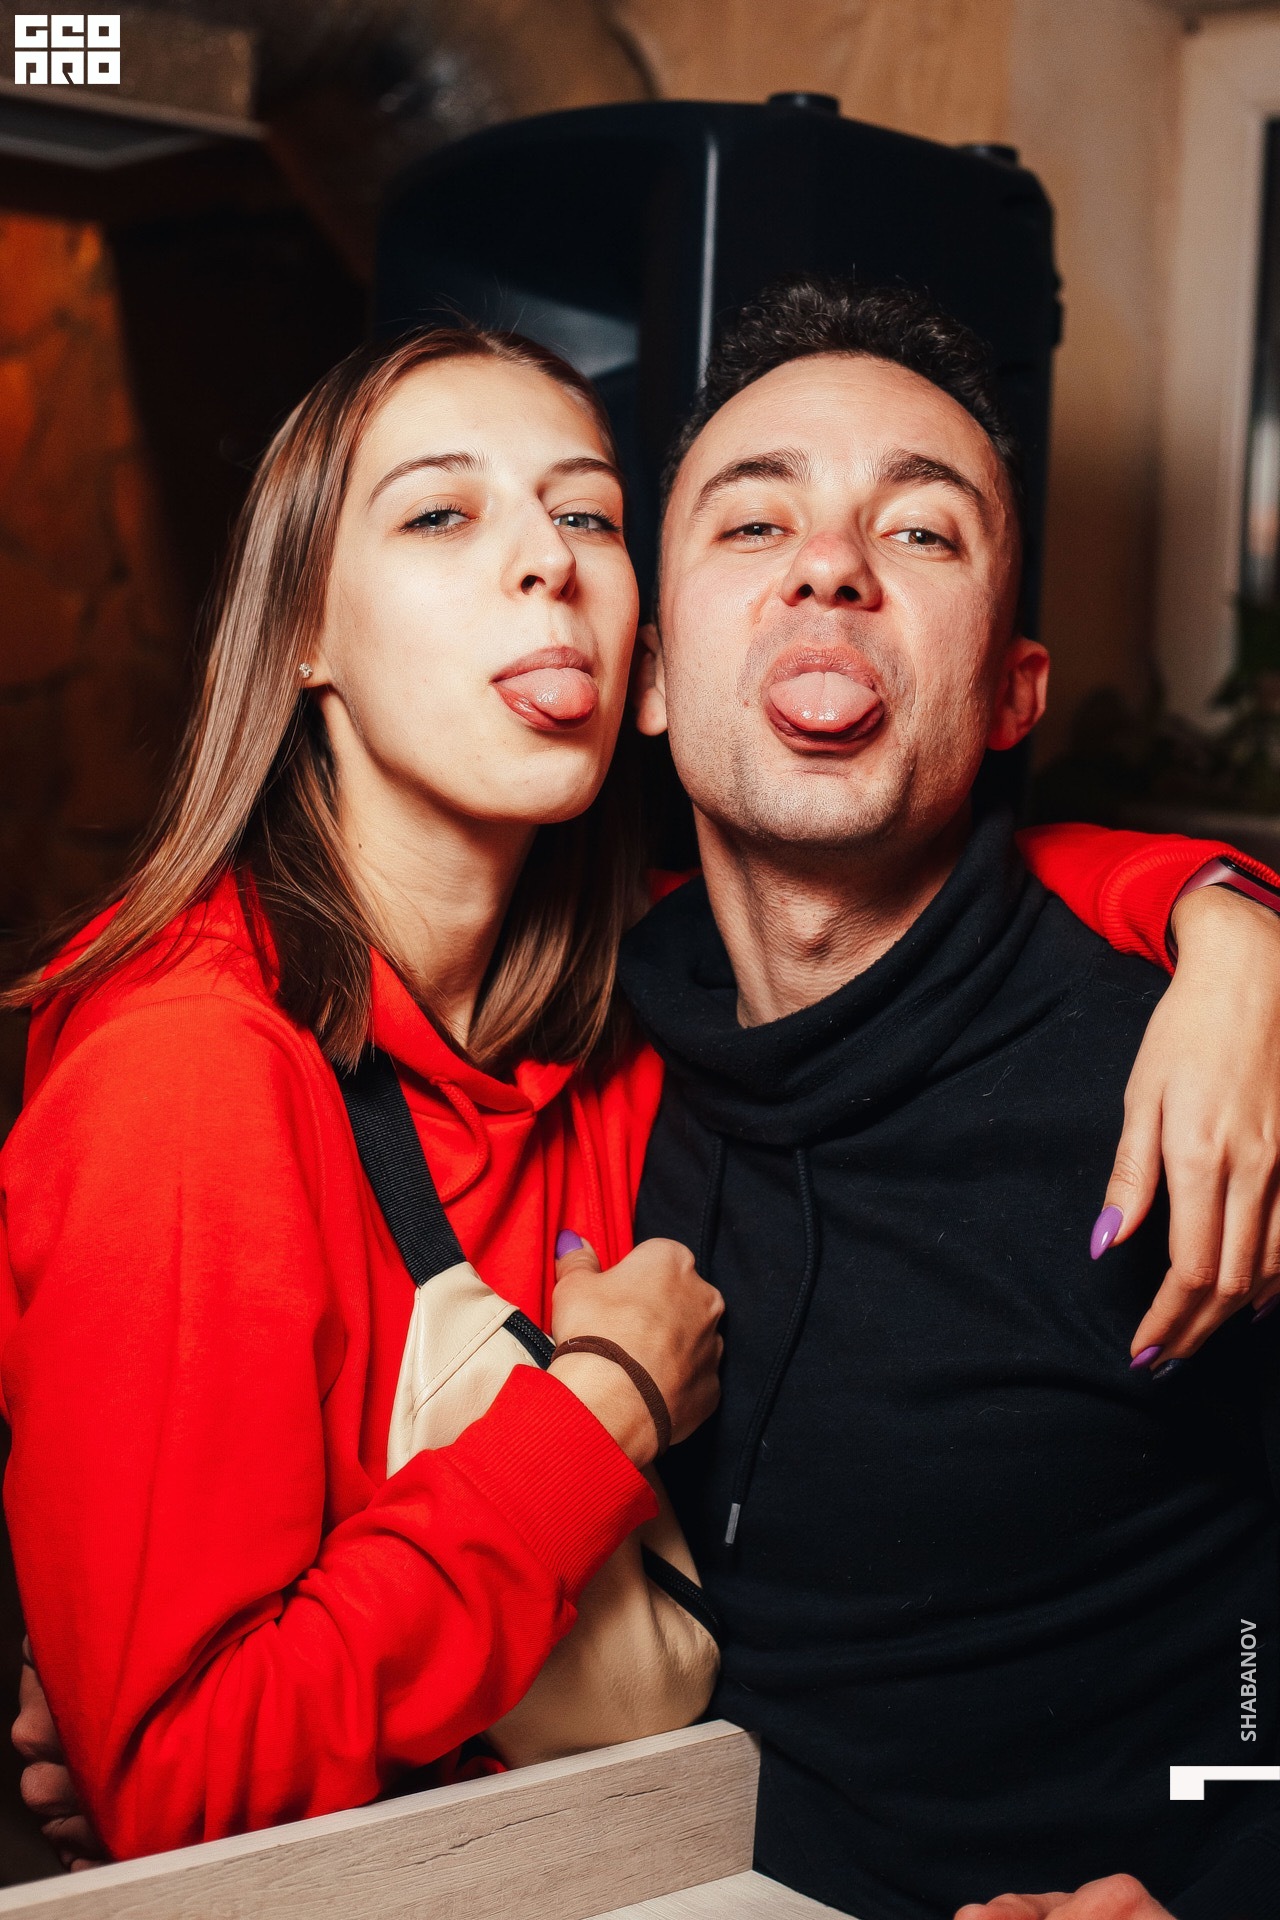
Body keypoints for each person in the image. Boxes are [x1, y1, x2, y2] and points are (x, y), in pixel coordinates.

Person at [6, 314, 1280, 1875]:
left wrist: (1231, 920)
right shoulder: (209, 1072)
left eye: (586, 513)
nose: (544, 560)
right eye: (441, 511)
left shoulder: (641, 1014)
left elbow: (1252, 1663)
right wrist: (600, 1404)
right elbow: (192, 1793)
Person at [618, 278, 1280, 1920]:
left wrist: (1222, 1868)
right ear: (648, 674)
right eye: (754, 520)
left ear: (1010, 693)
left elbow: (1260, 1661)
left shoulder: (1187, 1098)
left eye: (920, 533)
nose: (830, 565)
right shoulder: (584, 1046)